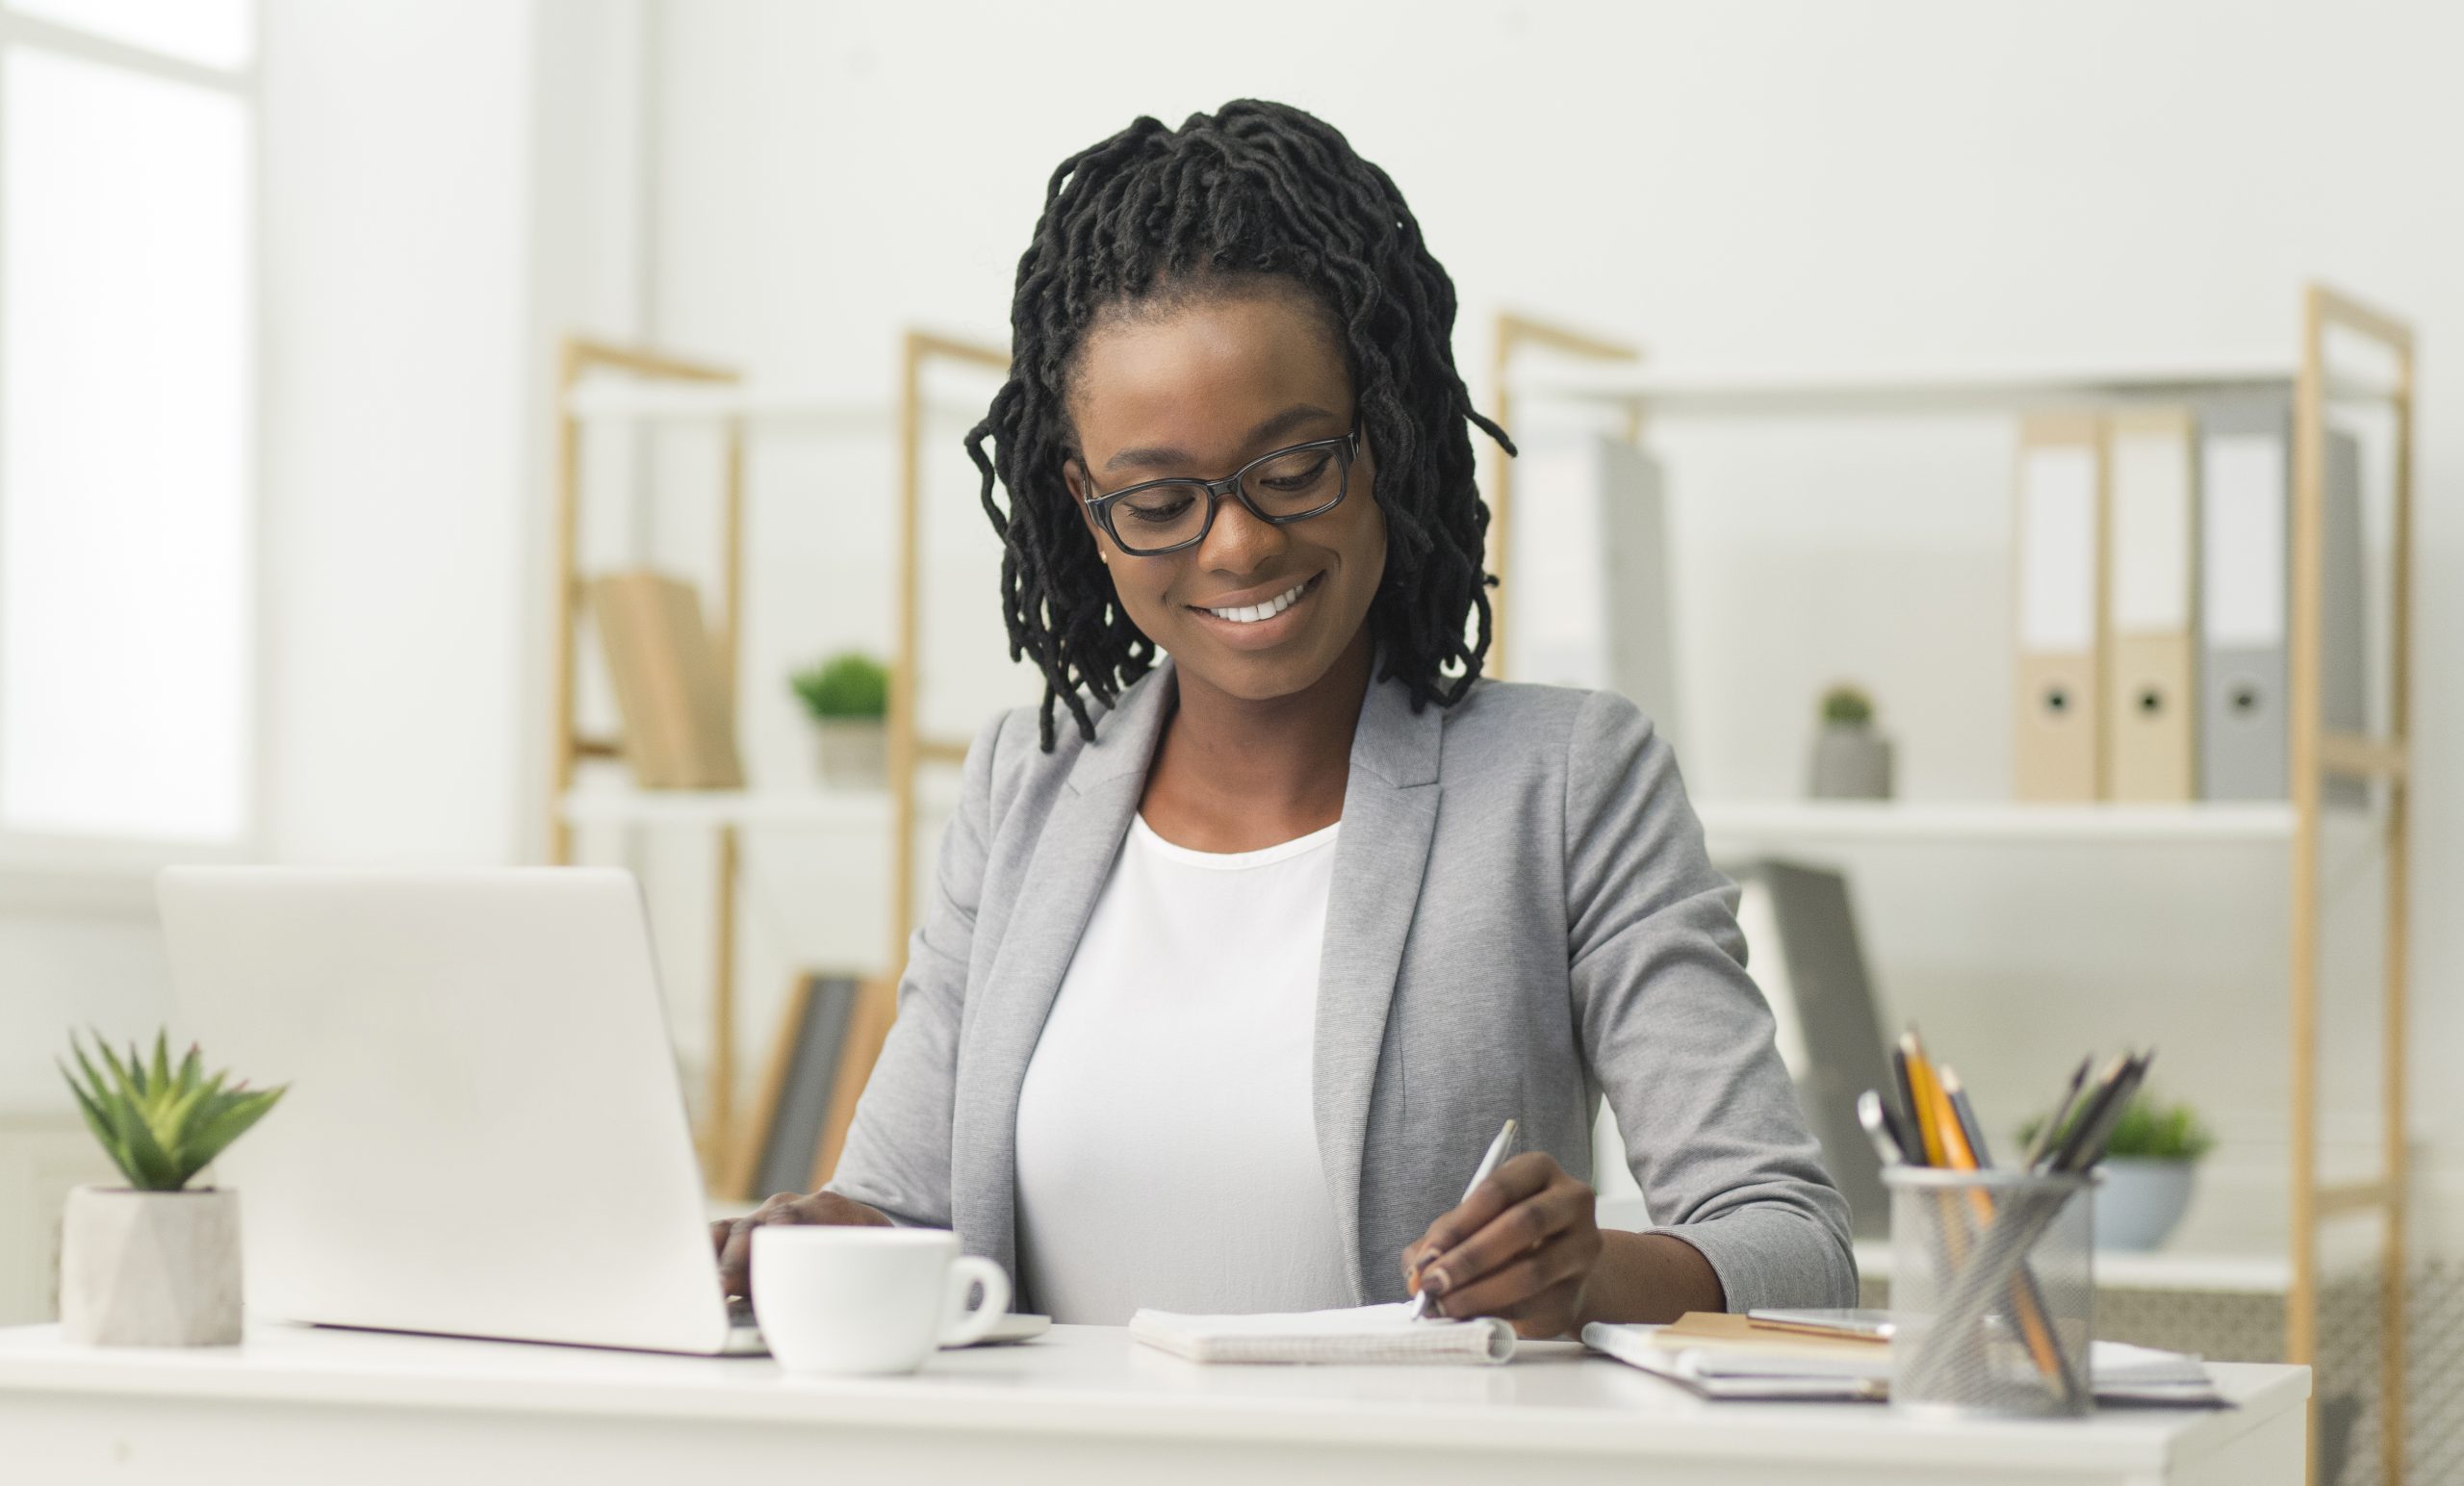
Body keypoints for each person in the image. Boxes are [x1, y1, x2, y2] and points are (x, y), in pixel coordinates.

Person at [714, 99, 1855, 1335]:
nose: (1241, 542)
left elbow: (1792, 1244)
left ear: (1388, 437)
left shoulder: (1566, 781)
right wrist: (805, 1234)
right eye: (1157, 499)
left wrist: (1594, 1276)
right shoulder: (1023, 788)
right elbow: (898, 1205)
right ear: (1084, 506)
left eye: (1295, 465)